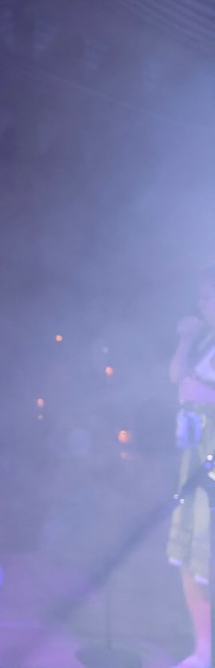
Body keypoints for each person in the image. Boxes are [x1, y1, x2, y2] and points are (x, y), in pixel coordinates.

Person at [168, 265, 215, 668]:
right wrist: (184, 339)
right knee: (191, 555)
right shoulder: (205, 340)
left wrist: (200, 391)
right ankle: (203, 652)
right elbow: (175, 376)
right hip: (197, 451)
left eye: (207, 296)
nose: (201, 305)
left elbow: (194, 386)